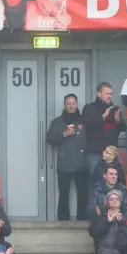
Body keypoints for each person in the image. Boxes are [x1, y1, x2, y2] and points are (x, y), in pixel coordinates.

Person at [46, 93, 88, 221]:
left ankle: (82, 220)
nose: (71, 105)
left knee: (83, 194)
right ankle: (63, 221)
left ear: (77, 104)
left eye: (73, 103)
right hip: (64, 164)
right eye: (68, 103)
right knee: (63, 194)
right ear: (64, 105)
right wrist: (64, 134)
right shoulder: (58, 121)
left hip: (82, 163)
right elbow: (50, 139)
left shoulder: (84, 120)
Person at [82, 82, 127, 177]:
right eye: (107, 94)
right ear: (99, 94)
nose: (110, 96)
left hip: (111, 153)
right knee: (94, 180)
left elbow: (124, 128)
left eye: (111, 94)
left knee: (112, 180)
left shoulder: (115, 109)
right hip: (95, 152)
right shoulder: (89, 108)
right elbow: (86, 123)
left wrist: (119, 121)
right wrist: (103, 117)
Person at [88, 190, 124, 254]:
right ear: (107, 202)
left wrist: (121, 222)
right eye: (111, 199)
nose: (114, 201)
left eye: (117, 199)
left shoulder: (126, 218)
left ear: (121, 202)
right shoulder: (101, 217)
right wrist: (108, 222)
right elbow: (95, 233)